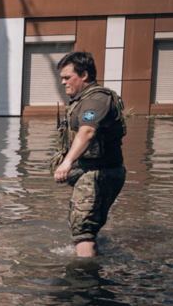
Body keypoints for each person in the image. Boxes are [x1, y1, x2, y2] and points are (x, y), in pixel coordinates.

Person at [51, 51, 127, 257]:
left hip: (100, 173)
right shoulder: (84, 99)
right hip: (92, 172)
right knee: (83, 226)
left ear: (84, 75)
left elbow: (88, 131)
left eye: (67, 77)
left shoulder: (97, 100)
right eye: (62, 78)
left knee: (83, 230)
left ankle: (84, 281)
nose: (63, 82)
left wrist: (66, 163)